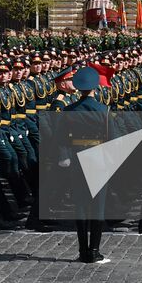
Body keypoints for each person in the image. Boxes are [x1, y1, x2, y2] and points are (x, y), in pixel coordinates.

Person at [58, 65, 110, 263]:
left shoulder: (68, 110)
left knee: (80, 205)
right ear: (95, 88)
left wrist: (65, 156)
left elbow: (60, 138)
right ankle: (94, 250)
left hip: (77, 157)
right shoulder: (103, 110)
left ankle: (82, 250)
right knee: (98, 207)